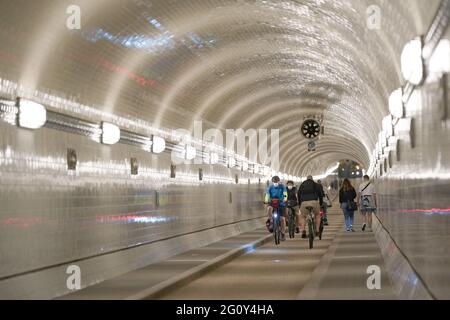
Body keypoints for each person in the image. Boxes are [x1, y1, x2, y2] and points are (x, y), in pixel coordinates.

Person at [265, 176, 288, 241]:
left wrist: (285, 199)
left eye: (276, 181)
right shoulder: (270, 187)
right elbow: (267, 194)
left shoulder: (282, 187)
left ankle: (283, 233)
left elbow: (285, 193)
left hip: (281, 203)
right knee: (269, 208)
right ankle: (271, 221)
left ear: (279, 181)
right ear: (272, 182)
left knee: (282, 219)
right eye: (274, 182)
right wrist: (266, 200)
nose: (275, 183)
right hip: (273, 202)